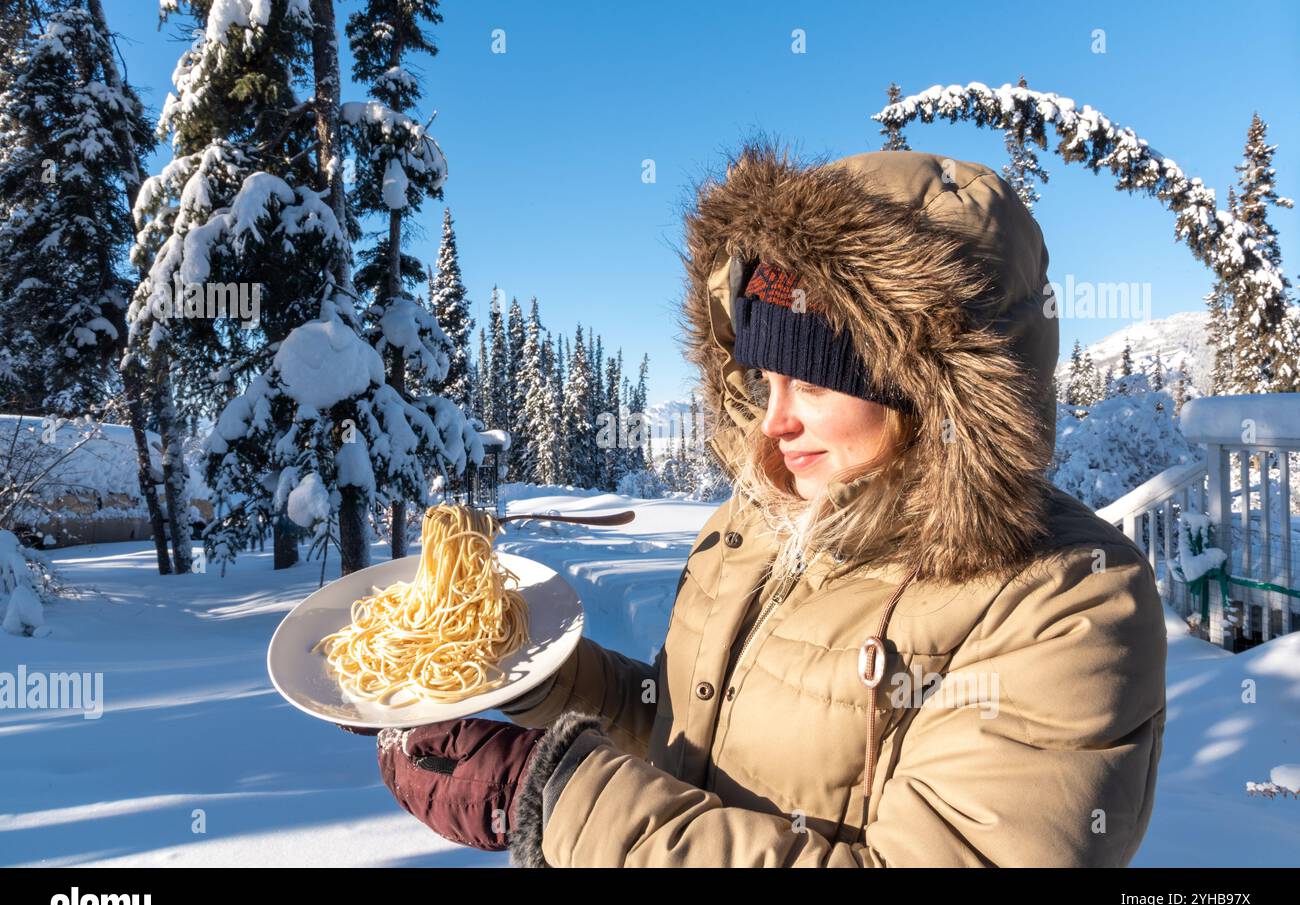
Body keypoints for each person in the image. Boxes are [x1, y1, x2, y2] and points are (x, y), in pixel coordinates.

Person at [362, 142, 1167, 868]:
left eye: (812, 382)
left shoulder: (1070, 601)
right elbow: (691, 744)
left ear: (929, 389)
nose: (775, 422)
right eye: (764, 379)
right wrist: (531, 679)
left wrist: (557, 798)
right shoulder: (759, 526)